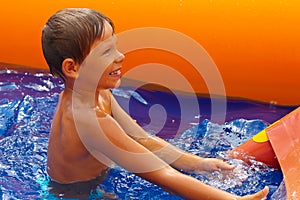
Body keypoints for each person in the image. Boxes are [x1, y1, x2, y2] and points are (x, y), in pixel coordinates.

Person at [42, 8, 269, 200]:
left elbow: (142, 139)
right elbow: (163, 176)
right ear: (73, 68)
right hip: (76, 195)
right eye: (106, 51)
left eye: (116, 45)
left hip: (78, 186)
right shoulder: (91, 120)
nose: (120, 56)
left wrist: (199, 164)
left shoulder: (97, 95)